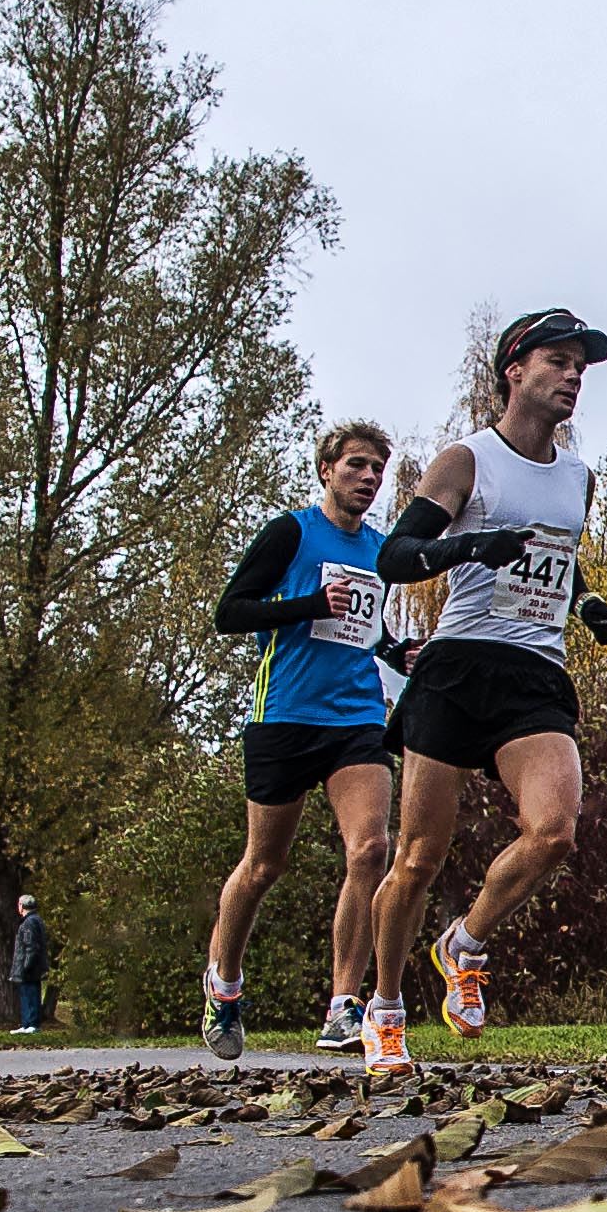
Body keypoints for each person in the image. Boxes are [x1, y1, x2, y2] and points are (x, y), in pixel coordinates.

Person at [362, 310, 607, 1070]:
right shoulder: (467, 460)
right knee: (417, 857)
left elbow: (557, 558)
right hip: (456, 667)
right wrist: (470, 544)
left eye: (581, 365)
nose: (573, 375)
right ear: (514, 369)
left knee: (555, 831)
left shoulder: (579, 478)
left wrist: (585, 602)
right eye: (558, 360)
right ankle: (383, 1007)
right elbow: (395, 555)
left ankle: (465, 941)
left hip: (534, 671)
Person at [202, 421, 401, 1062]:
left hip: (356, 719)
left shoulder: (382, 548)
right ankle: (223, 985)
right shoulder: (291, 533)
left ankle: (344, 1005)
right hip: (284, 715)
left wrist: (402, 650)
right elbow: (230, 613)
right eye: (357, 466)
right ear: (326, 470)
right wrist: (307, 604)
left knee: (371, 849)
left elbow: (365, 632)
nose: (368, 479)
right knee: (263, 867)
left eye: (377, 470)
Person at [8, 893, 53, 1034]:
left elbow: (31, 946)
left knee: (30, 994)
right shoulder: (35, 920)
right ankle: (27, 1024)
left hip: (29, 966)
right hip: (32, 965)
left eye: (19, 904)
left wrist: (26, 965)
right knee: (26, 994)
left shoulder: (29, 923)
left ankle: (32, 1024)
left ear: (22, 906)